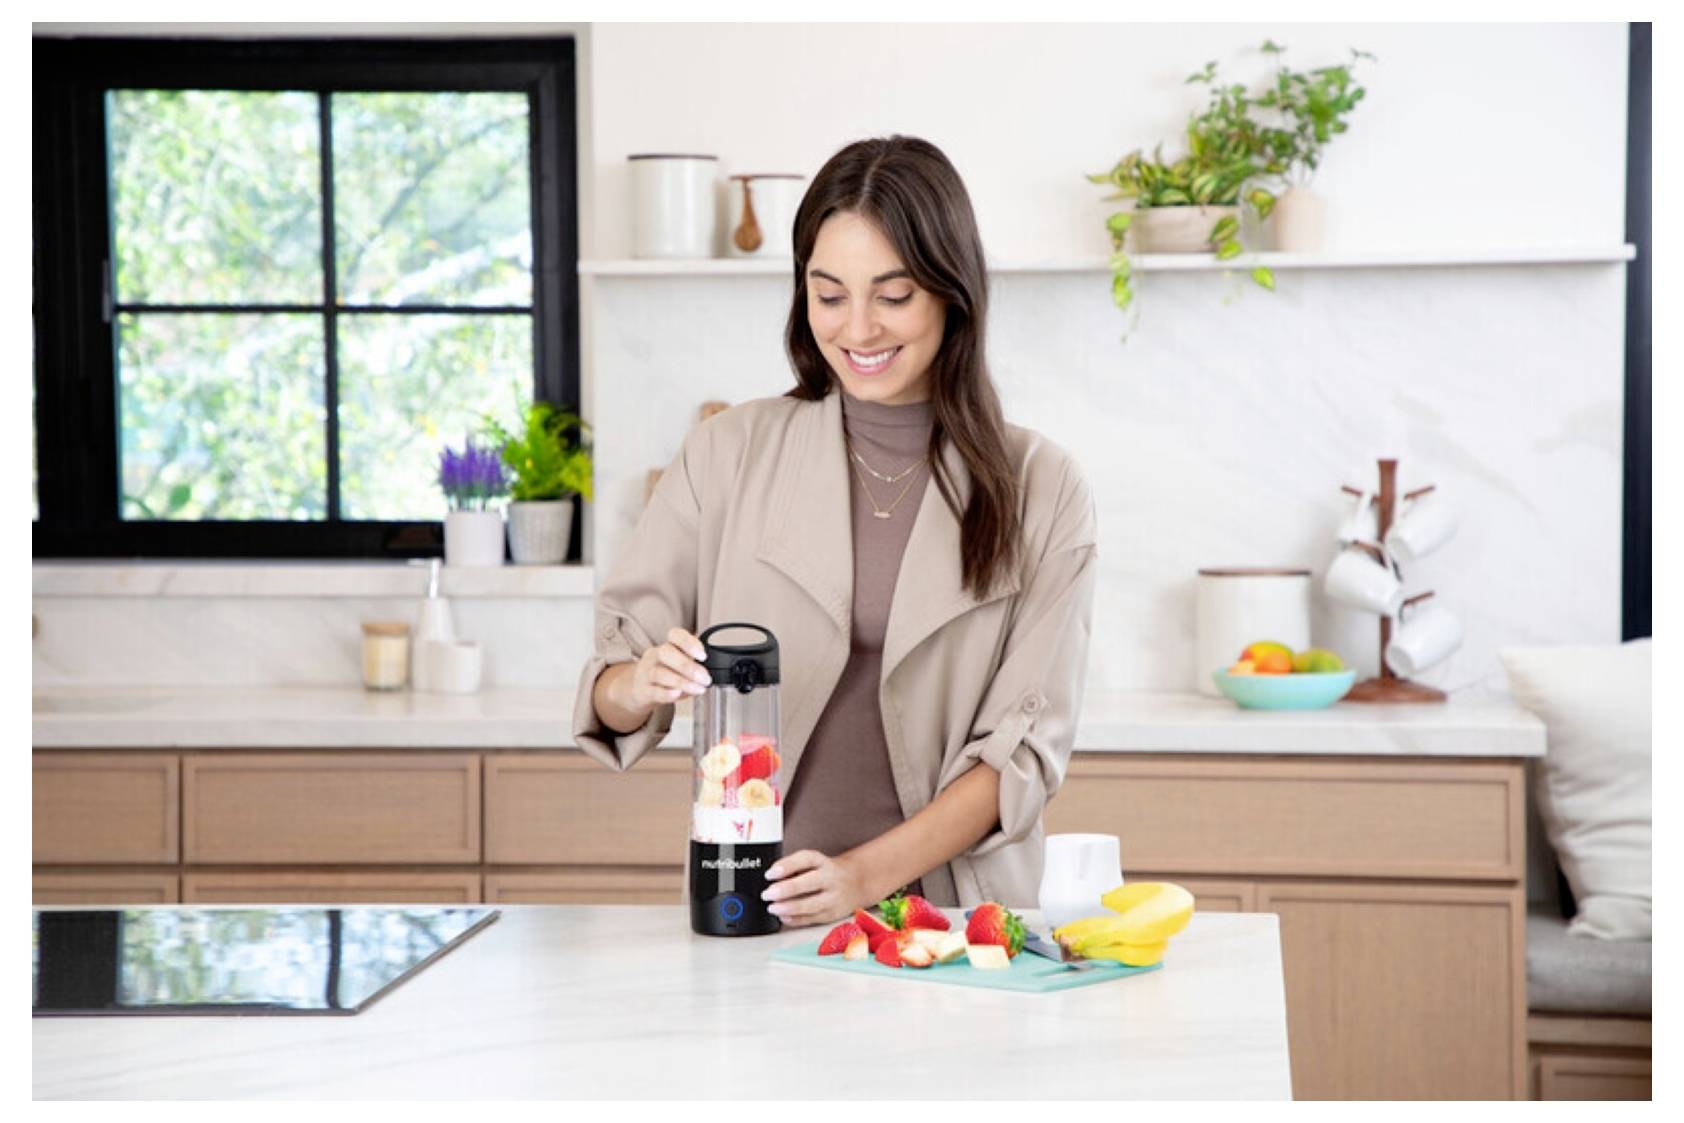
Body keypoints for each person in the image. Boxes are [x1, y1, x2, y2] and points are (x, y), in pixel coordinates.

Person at [572, 135, 1098, 928]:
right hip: (752, 909)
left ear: (953, 293)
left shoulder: (1041, 487)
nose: (858, 328)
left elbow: (1019, 760)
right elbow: (611, 686)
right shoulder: (728, 452)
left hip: (955, 925)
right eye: (829, 294)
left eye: (893, 295)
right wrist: (639, 683)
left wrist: (861, 878)